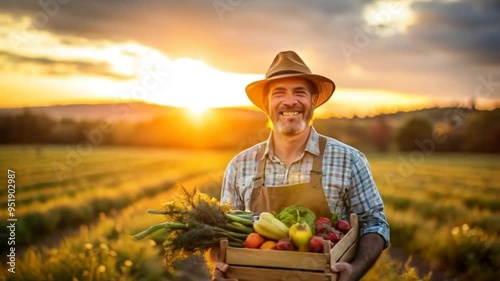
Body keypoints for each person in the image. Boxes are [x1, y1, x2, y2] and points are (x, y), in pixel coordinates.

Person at [217, 50, 390, 281]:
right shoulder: (240, 166)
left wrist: (355, 270)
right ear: (266, 104)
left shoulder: (349, 160)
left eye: (300, 92)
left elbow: (374, 223)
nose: (290, 101)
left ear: (313, 101)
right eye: (279, 93)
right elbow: (219, 231)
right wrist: (217, 268)